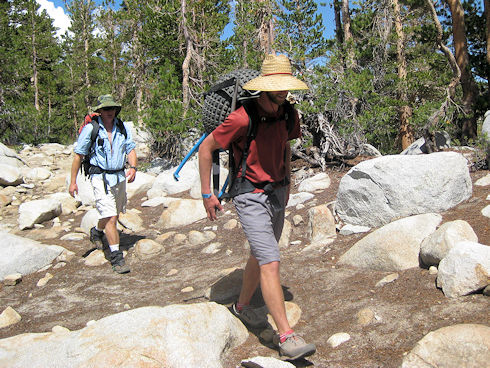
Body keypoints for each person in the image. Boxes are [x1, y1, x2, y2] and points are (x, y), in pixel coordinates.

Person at [198, 54, 316, 361]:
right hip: (249, 195)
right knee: (270, 261)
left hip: (277, 192)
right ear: (264, 86)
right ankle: (287, 337)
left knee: (260, 254)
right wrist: (207, 193)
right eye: (277, 86)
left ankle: (241, 306)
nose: (283, 91)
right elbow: (206, 148)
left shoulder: (288, 113)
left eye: (285, 86)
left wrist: (288, 182)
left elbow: (286, 147)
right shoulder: (241, 117)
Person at [69, 94, 137, 274]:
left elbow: (130, 148)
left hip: (118, 177)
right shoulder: (91, 129)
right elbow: (79, 156)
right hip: (100, 178)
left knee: (111, 215)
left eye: (112, 108)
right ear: (99, 111)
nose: (109, 112)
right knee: (112, 217)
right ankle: (117, 257)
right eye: (106, 109)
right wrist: (73, 182)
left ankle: (97, 231)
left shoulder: (121, 127)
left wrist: (134, 167)